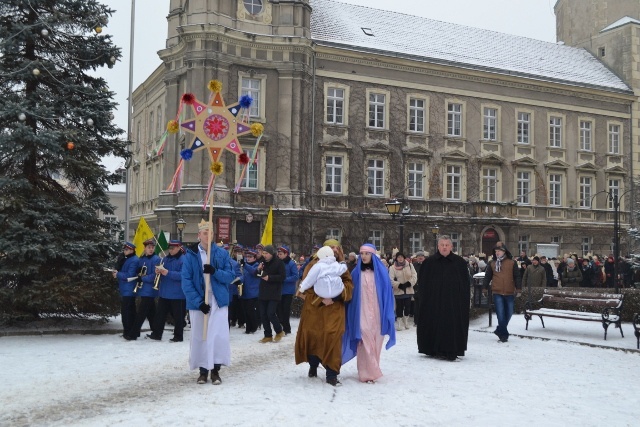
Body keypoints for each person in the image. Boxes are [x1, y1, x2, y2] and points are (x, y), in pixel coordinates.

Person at [182, 219, 234, 385]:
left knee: (218, 335)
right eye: (205, 232)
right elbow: (186, 281)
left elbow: (230, 276)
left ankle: (216, 371)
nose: (208, 235)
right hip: (200, 301)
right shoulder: (191, 256)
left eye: (210, 232)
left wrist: (214, 271)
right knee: (200, 335)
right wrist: (199, 302)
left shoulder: (221, 254)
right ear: (199, 235)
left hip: (217, 300)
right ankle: (203, 371)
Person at [295, 238, 353, 387]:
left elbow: (348, 284)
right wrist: (321, 299)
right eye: (330, 247)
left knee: (333, 337)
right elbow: (306, 286)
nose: (334, 250)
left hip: (334, 309)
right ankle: (313, 365)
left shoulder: (341, 267)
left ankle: (332, 374)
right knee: (315, 337)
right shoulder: (314, 265)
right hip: (315, 310)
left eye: (336, 247)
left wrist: (337, 296)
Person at [342, 243, 396, 383]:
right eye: (362, 254)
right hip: (361, 311)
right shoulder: (355, 273)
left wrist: (388, 312)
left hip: (378, 312)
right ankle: (367, 372)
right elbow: (350, 294)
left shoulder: (382, 272)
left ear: (373, 255)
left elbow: (387, 294)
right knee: (364, 336)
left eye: (367, 253)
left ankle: (372, 367)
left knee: (376, 339)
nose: (364, 256)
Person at [416, 236, 470, 360]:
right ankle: (433, 348)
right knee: (433, 323)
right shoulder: (429, 263)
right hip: (433, 301)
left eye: (447, 245)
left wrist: (462, 301)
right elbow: (423, 284)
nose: (444, 247)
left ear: (451, 247)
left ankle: (451, 349)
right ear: (438, 246)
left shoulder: (459, 263)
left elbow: (465, 285)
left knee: (452, 325)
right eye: (442, 245)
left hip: (453, 303)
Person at [147, 240, 186, 342]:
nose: (171, 250)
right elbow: (162, 271)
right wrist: (158, 271)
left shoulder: (184, 259)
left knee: (178, 317)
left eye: (173, 248)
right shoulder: (165, 259)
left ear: (178, 248)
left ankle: (178, 336)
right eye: (170, 248)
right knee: (160, 315)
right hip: (164, 292)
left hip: (177, 294)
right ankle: (157, 334)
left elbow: (183, 275)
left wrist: (168, 273)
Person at [482, 243, 522, 343]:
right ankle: (504, 335)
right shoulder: (492, 263)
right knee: (500, 314)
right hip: (497, 291)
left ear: (504, 251)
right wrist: (485, 288)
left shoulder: (512, 263)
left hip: (509, 291)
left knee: (509, 313)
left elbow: (517, 276)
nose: (497, 253)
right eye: (496, 251)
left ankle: (500, 329)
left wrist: (518, 288)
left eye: (499, 251)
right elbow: (488, 276)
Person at [124, 239, 160, 341]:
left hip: (150, 290)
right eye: (149, 247)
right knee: (151, 312)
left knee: (141, 313)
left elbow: (154, 275)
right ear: (144, 248)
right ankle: (156, 332)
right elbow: (139, 272)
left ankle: (133, 334)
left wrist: (142, 278)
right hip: (143, 289)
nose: (151, 249)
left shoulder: (156, 259)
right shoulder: (142, 259)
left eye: (152, 248)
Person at [256, 245, 286, 343]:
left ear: (271, 254)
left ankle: (279, 331)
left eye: (266, 253)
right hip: (263, 292)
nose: (265, 255)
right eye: (263, 253)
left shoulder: (279, 263)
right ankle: (268, 335)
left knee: (270, 313)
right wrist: (258, 270)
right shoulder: (263, 262)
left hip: (274, 292)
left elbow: (282, 277)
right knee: (263, 314)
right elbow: (257, 275)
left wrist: (270, 278)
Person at [113, 242, 139, 336]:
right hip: (125, 288)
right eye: (124, 249)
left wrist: (118, 274)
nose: (124, 251)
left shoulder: (134, 260)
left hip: (129, 289)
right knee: (128, 311)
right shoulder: (126, 258)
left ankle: (129, 332)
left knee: (127, 312)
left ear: (132, 250)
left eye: (126, 250)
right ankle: (129, 331)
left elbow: (130, 275)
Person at [389, 252, 417, 331]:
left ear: (404, 258)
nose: (400, 258)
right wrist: (398, 285)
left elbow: (414, 276)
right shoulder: (392, 267)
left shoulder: (410, 266)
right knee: (399, 308)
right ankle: (399, 323)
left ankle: (406, 321)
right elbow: (390, 279)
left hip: (408, 290)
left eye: (401, 257)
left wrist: (409, 283)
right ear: (396, 258)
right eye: (398, 257)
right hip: (398, 291)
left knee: (408, 307)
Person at [276, 245, 298, 335]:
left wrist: (284, 279)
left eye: (281, 254)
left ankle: (286, 328)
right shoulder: (278, 262)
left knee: (285, 310)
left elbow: (295, 276)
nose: (279, 255)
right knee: (278, 309)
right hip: (279, 290)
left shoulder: (291, 263)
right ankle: (282, 325)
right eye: (278, 254)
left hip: (288, 291)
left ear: (286, 254)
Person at [240, 249, 261, 334]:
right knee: (246, 312)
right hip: (245, 292)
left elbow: (254, 272)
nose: (248, 258)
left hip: (253, 293)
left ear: (255, 258)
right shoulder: (245, 266)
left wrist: (245, 265)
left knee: (251, 311)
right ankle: (248, 328)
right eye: (247, 257)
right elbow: (243, 276)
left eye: (250, 257)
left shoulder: (257, 265)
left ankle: (254, 326)